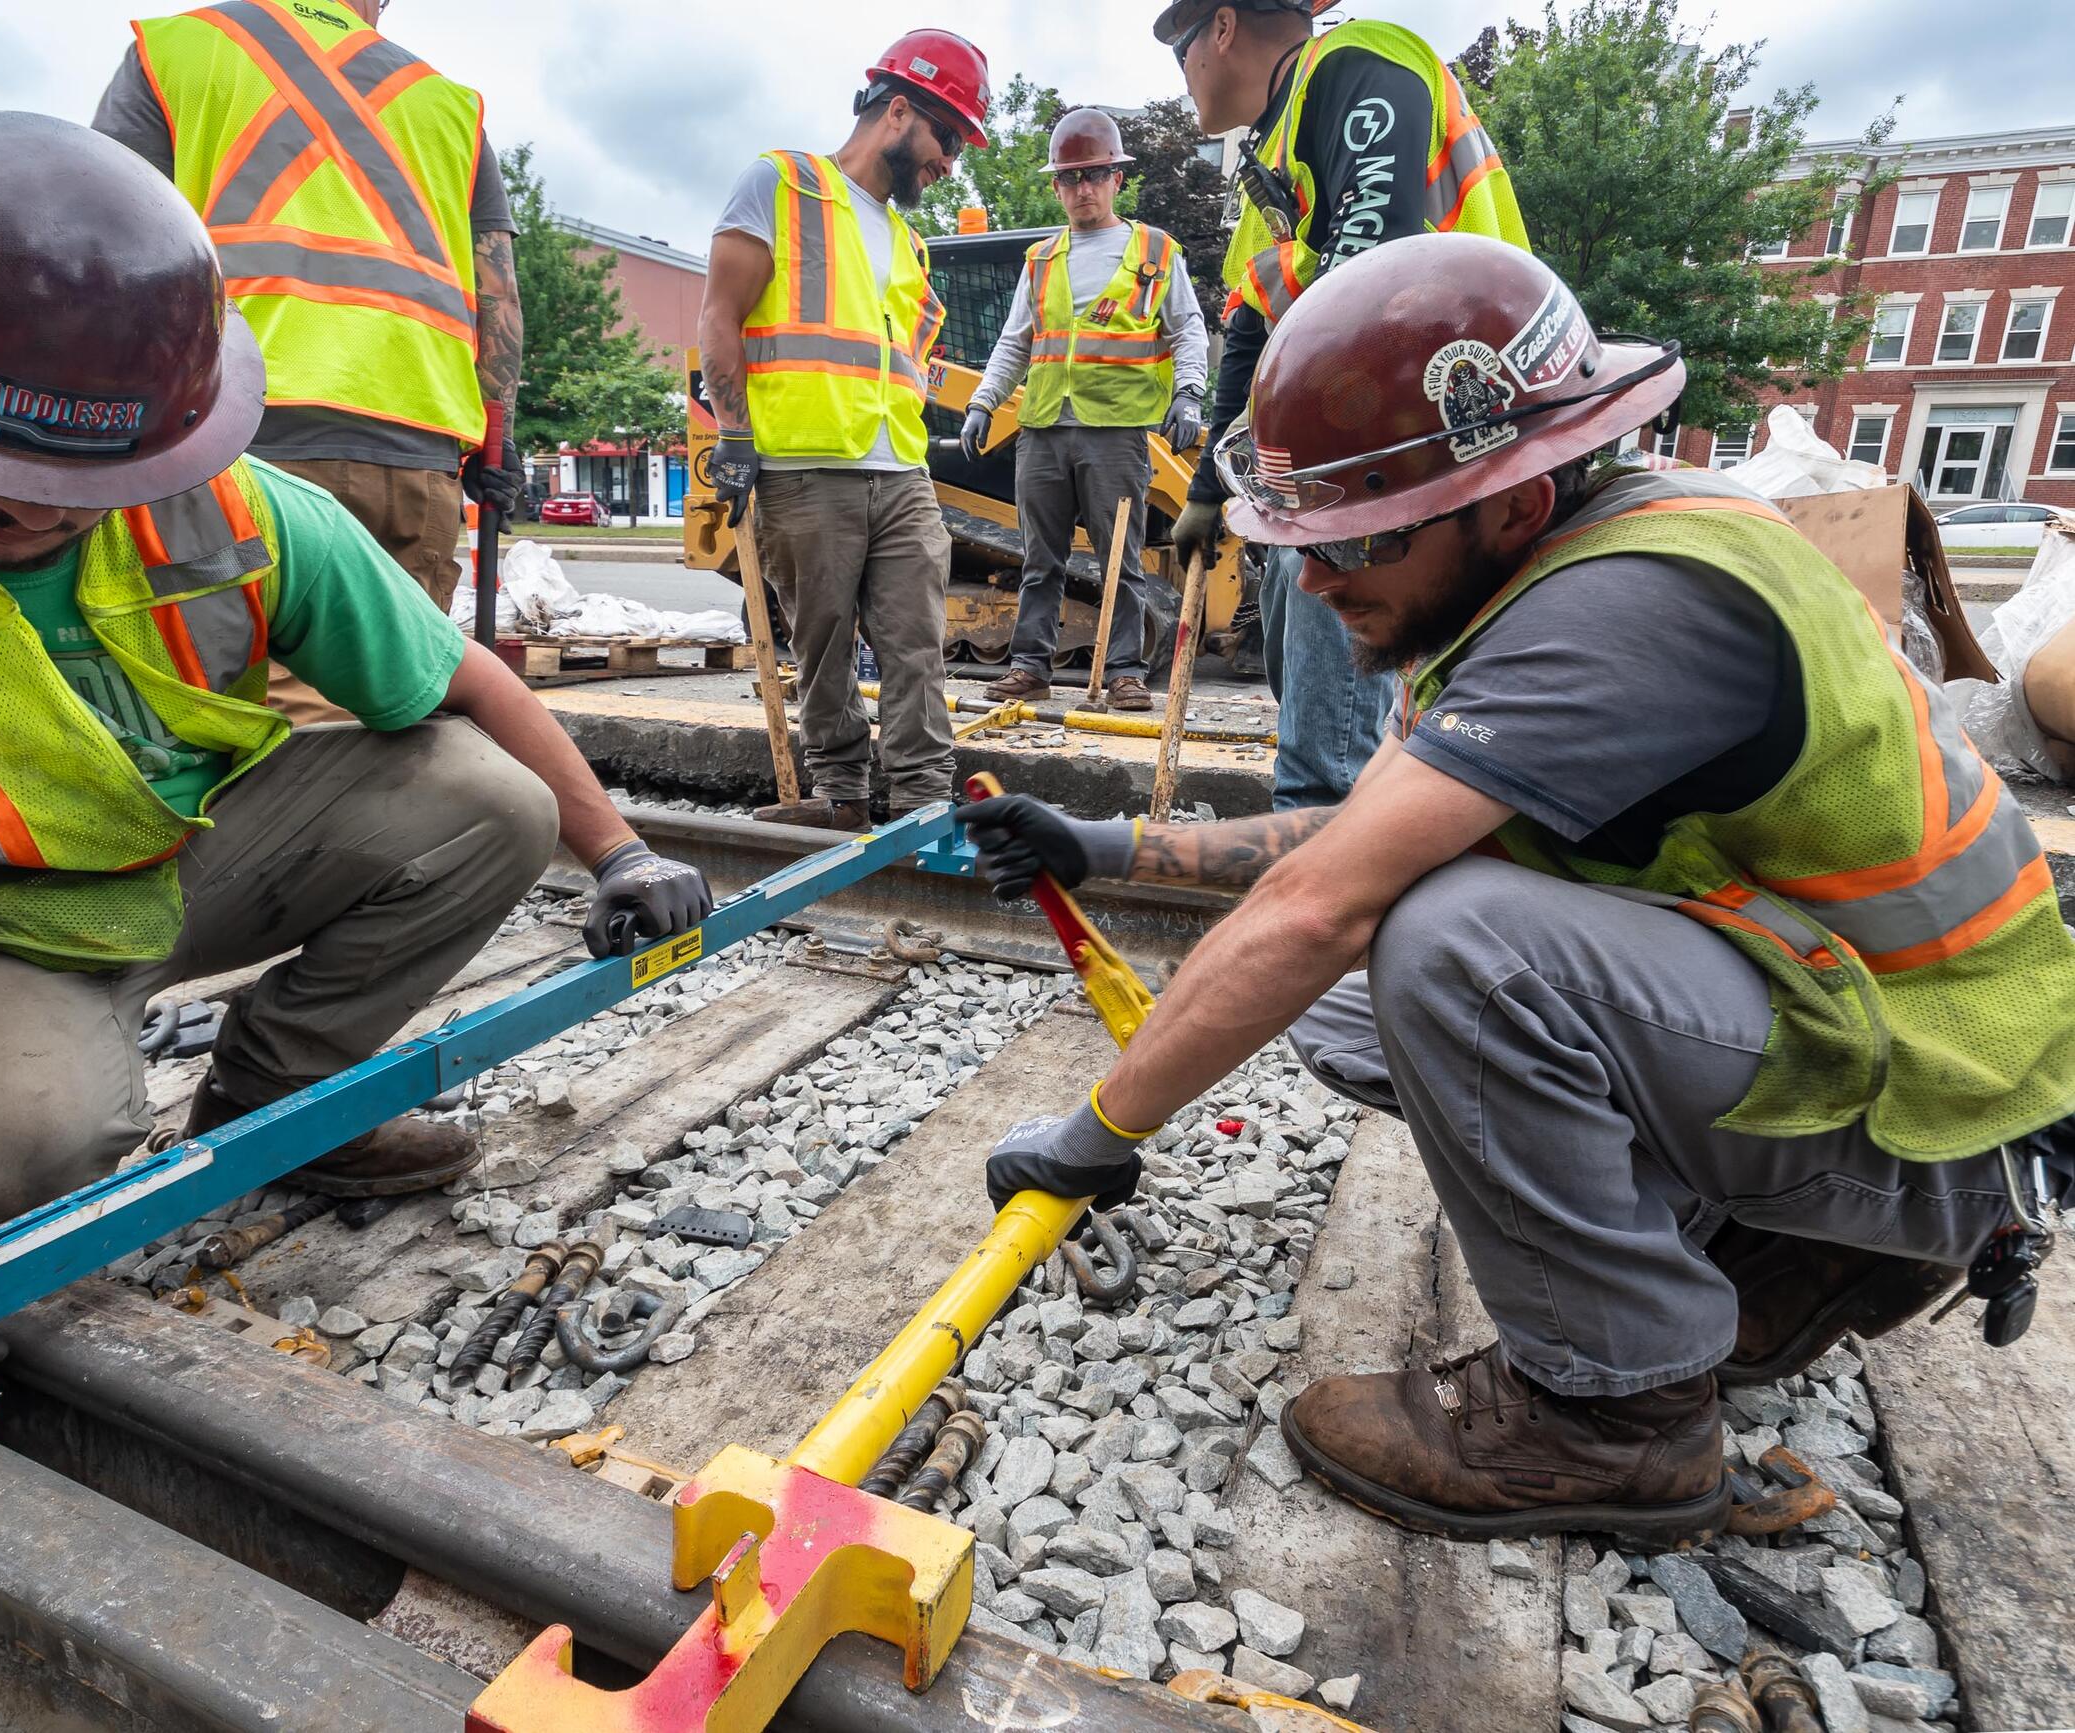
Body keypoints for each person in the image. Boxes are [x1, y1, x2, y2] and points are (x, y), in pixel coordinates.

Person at [0, 113, 710, 1556]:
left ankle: (272, 1112)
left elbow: (464, 680)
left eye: (85, 484)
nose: (45, 510)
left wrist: (620, 851)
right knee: (24, 1144)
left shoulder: (230, 500)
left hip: (141, 873)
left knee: (486, 801)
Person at [956, 233, 2075, 1543]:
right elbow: (1356, 837)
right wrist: (1103, 846)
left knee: (1451, 949)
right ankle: (1776, 1253)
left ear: (1510, 504)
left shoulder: (1624, 615)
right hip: (1851, 1018)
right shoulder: (1550, 568)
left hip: (1955, 1108)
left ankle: (1614, 1415)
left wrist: (1095, 1137)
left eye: (1357, 539)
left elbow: (1324, 905)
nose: (1311, 582)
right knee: (1359, 1000)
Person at [92, 0, 527, 722]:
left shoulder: (177, 52)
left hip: (229, 434)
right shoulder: (451, 105)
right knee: (395, 713)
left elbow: (107, 239)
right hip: (413, 450)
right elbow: (499, 295)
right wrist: (497, 436)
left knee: (235, 720)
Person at [1157, 0, 1527, 807]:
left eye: (1179, 52)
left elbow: (1377, 255)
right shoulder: (1274, 169)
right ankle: (1335, 840)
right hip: (1365, 446)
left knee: (1328, 748)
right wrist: (1210, 490)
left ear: (1221, 29)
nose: (1182, 80)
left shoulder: (1358, 67)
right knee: (1299, 621)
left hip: (1442, 420)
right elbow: (1252, 338)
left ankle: (1326, 861)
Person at [696, 30, 987, 830]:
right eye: (948, 139)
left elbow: (906, 359)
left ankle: (926, 804)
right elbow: (720, 314)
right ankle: (842, 796)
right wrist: (734, 432)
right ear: (899, 111)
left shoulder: (908, 240)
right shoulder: (781, 184)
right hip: (803, 466)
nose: (949, 163)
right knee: (821, 646)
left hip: (902, 472)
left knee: (915, 646)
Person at [961, 109, 1211, 713]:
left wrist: (1189, 393)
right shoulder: (1042, 259)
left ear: (1117, 179)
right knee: (1038, 559)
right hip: (1043, 429)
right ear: (1057, 187)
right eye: (1071, 179)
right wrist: (982, 402)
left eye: (1095, 175)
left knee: (1118, 557)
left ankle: (1125, 671)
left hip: (1116, 433)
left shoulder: (1154, 252)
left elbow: (1188, 330)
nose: (1083, 189)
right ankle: (1030, 667)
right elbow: (1015, 342)